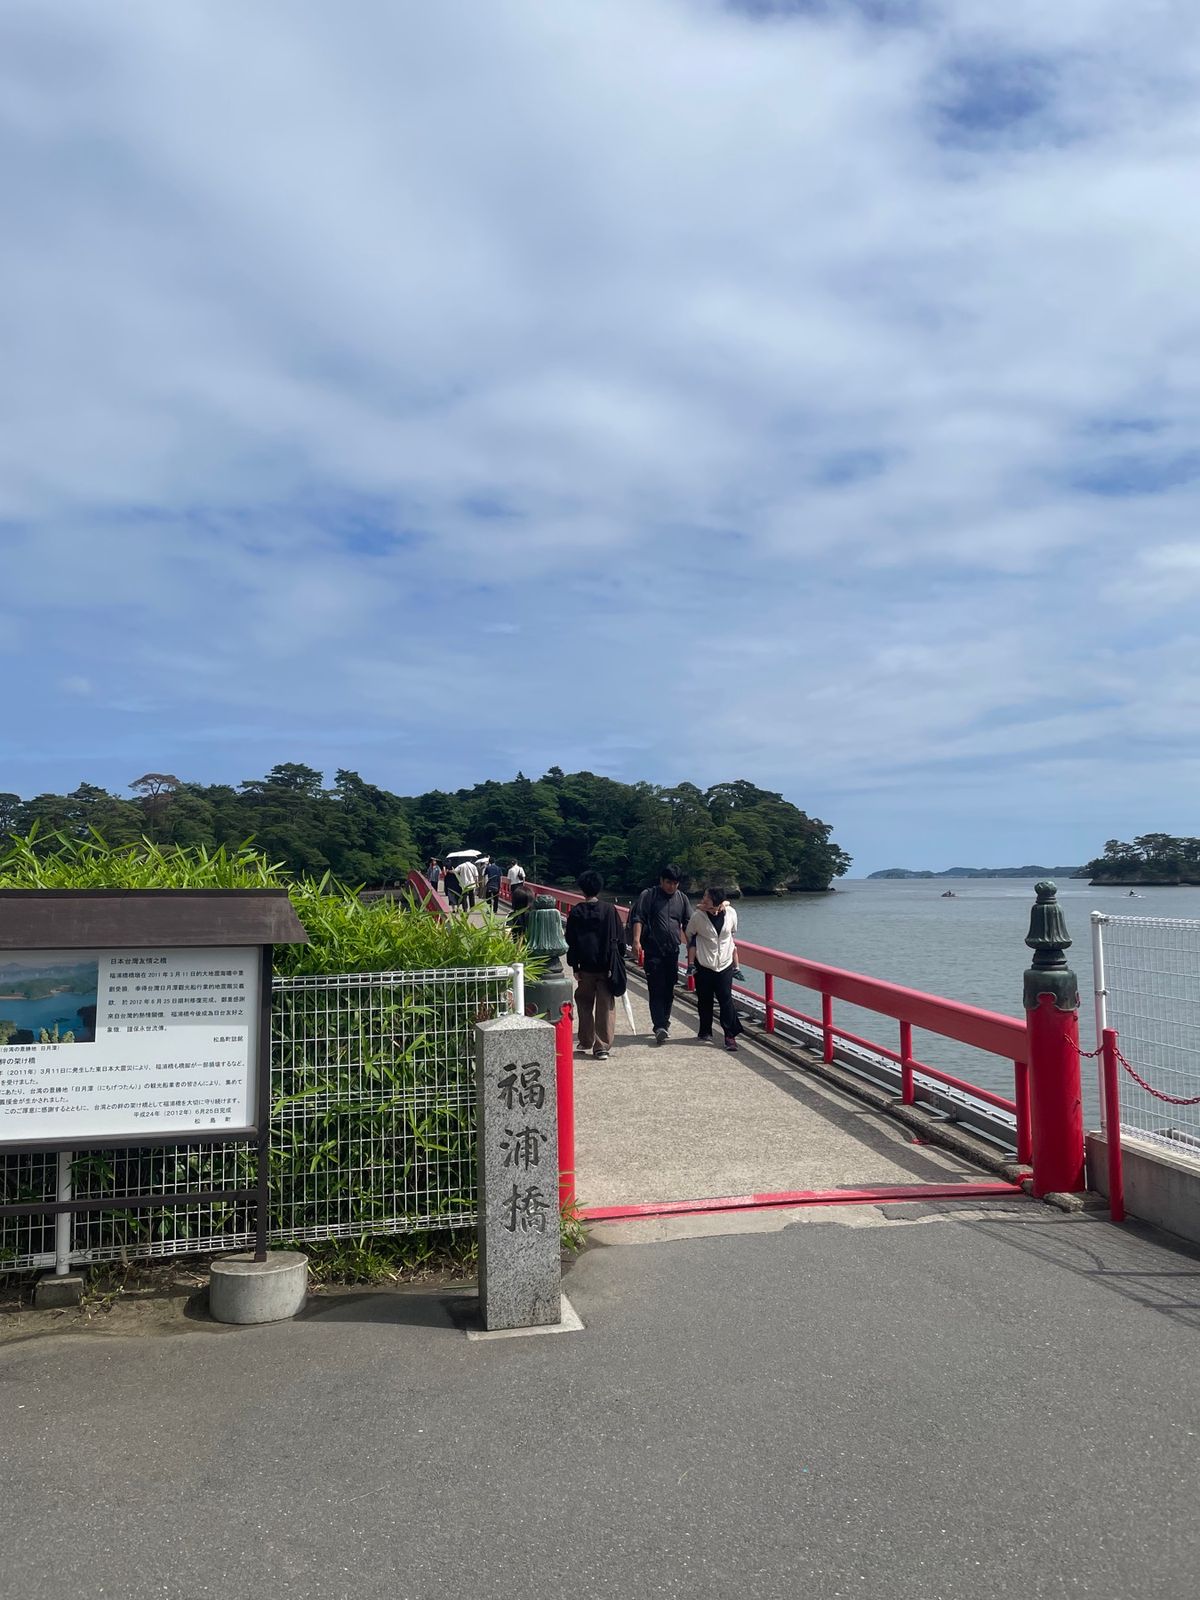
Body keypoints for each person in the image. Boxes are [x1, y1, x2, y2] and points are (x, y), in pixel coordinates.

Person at [629, 864, 692, 1044]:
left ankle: (664, 1022)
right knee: (656, 988)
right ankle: (659, 1026)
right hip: (653, 949)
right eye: (668, 882)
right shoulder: (649, 896)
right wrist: (636, 940)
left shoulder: (682, 899)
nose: (671, 886)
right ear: (661, 881)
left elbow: (688, 924)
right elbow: (638, 918)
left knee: (669, 988)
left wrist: (691, 948)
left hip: (672, 951)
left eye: (674, 883)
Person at [565, 869, 623, 1061]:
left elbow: (571, 941)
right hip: (606, 967)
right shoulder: (609, 910)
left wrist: (574, 967)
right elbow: (620, 939)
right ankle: (602, 1046)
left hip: (585, 967)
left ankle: (586, 1039)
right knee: (605, 1006)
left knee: (583, 1003)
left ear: (582, 889)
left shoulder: (576, 912)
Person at [686, 887, 744, 1052]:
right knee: (704, 999)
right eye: (704, 896)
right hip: (704, 963)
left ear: (716, 902)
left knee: (726, 1000)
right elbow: (690, 934)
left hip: (725, 964)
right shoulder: (698, 916)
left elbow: (732, 932)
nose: (704, 899)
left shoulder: (731, 913)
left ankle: (729, 1036)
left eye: (707, 897)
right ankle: (705, 1030)